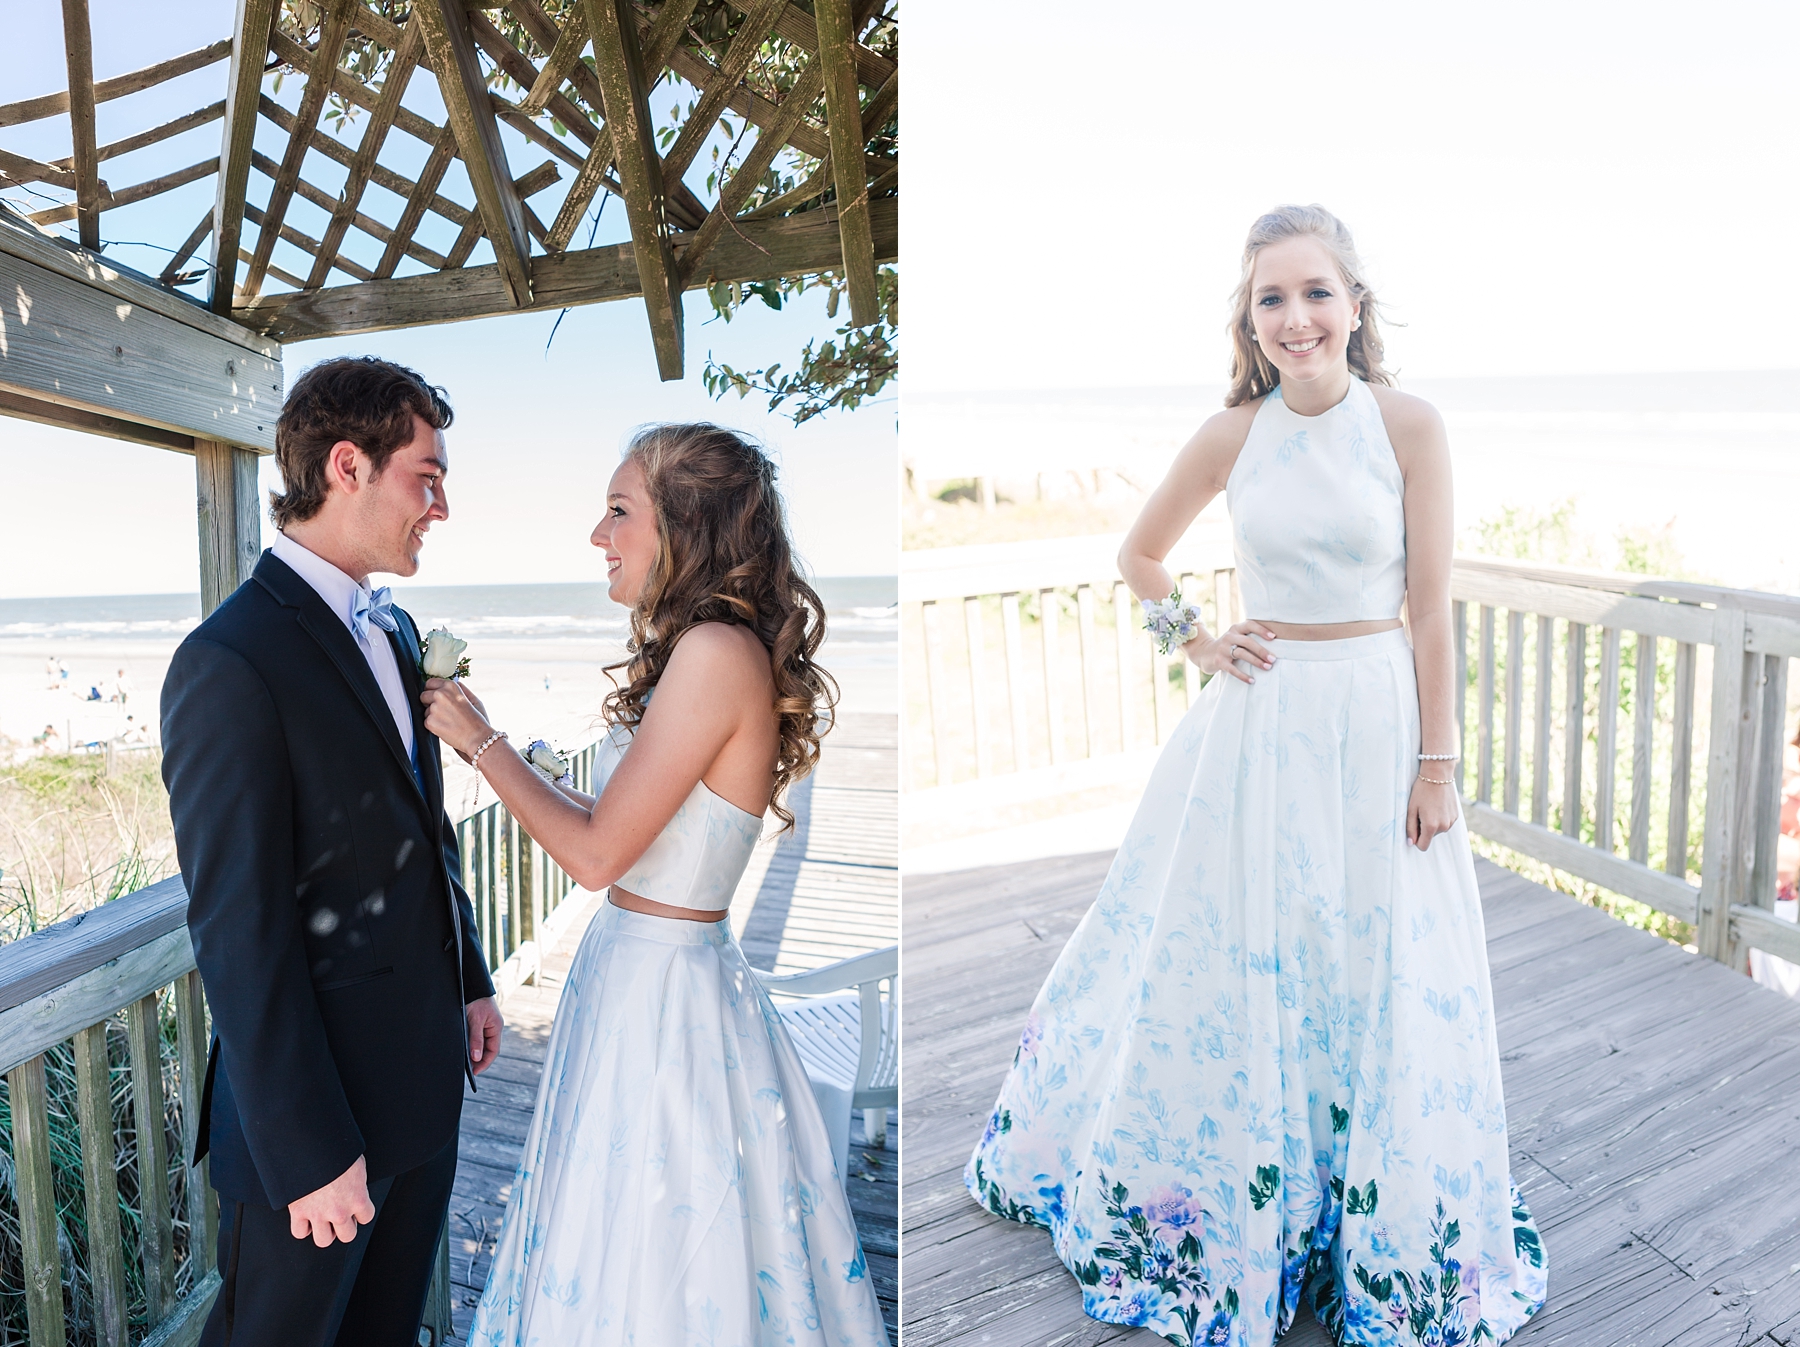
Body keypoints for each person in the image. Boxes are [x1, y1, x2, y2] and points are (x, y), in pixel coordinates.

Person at [964, 206, 1548, 1346]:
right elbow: (1138, 555)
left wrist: (1440, 764)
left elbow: (1430, 611)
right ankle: (1255, 1216)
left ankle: (1364, 1220)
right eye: (1270, 299)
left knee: (1373, 959)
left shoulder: (1412, 426)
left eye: (1315, 292)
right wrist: (1196, 640)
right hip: (1263, 724)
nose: (1295, 318)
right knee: (1244, 959)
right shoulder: (1234, 434)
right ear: (1250, 319)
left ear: (1355, 305)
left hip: (1378, 720)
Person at [421, 425, 889, 1346]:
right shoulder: (709, 651)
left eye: (620, 511)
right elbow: (643, 836)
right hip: (641, 973)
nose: (600, 535)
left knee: (652, 1243)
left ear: (688, 523)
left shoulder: (715, 653)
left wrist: (479, 740)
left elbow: (596, 858)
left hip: (664, 994)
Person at [160, 356, 504, 1347]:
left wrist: (469, 977)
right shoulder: (227, 663)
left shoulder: (390, 630)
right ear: (348, 466)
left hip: (421, 1086)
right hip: (314, 1129)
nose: (439, 506)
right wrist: (309, 1151)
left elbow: (419, 832)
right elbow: (238, 928)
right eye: (425, 478)